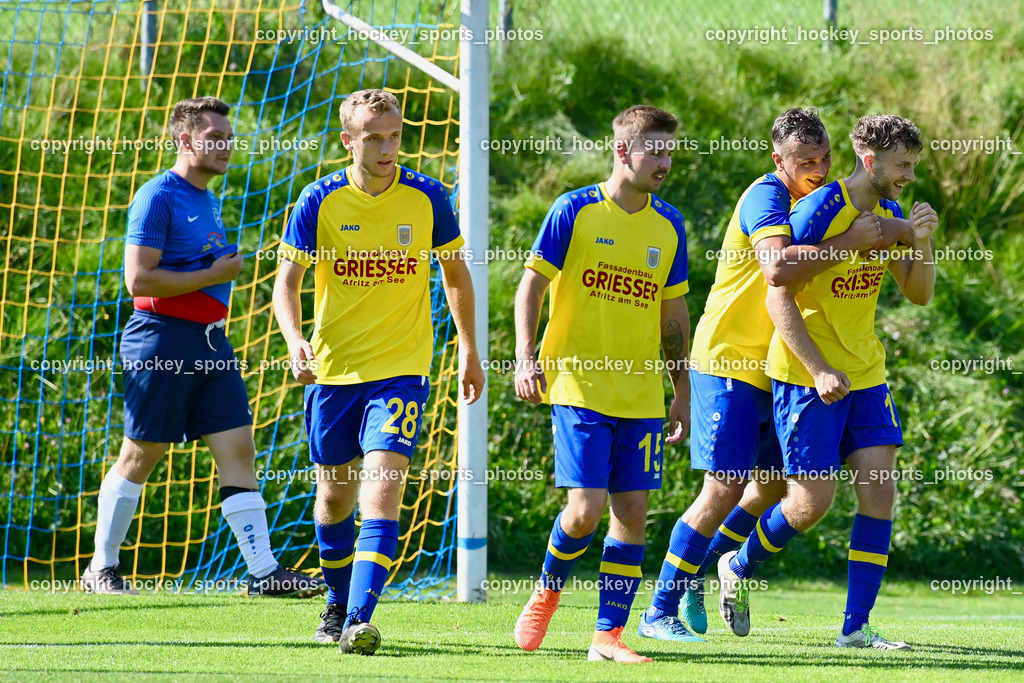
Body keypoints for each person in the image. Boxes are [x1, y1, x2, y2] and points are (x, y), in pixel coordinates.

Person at [640, 108, 909, 640]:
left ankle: (718, 565)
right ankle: (657, 612)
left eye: (826, 157)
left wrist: (902, 234)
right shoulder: (766, 197)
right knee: (722, 489)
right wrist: (854, 242)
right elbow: (778, 270)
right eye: (806, 160)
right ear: (778, 160)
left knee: (770, 490)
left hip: (774, 368)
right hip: (730, 360)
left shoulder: (823, 202)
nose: (819, 167)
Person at [82, 96, 325, 599]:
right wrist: (212, 274)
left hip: (213, 342)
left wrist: (212, 273)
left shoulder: (205, 197)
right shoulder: (158, 195)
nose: (225, 146)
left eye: (228, 138)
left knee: (239, 449)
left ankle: (263, 573)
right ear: (183, 140)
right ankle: (101, 569)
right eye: (213, 137)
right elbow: (138, 279)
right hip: (161, 340)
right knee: (141, 453)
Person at [272, 89, 485, 656]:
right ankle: (338, 602)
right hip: (335, 371)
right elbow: (286, 286)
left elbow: (457, 277)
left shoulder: (429, 197)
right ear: (349, 141)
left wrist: (469, 348)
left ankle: (358, 620)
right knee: (334, 498)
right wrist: (295, 341)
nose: (387, 147)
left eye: (394, 135)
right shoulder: (317, 201)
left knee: (382, 490)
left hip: (402, 370)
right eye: (374, 138)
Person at [717, 114, 938, 650]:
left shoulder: (890, 212)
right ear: (871, 162)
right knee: (810, 505)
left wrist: (922, 240)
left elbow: (918, 292)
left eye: (912, 164)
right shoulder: (819, 209)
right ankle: (737, 566)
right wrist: (818, 370)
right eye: (902, 165)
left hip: (866, 373)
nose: (909, 175)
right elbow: (778, 294)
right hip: (805, 375)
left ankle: (855, 628)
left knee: (878, 491)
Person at [511, 105, 689, 664]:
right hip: (578, 385)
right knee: (584, 512)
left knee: (632, 511)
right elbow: (530, 288)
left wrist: (681, 388)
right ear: (622, 151)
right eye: (653, 150)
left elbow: (673, 314)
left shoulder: (670, 225)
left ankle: (607, 637)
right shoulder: (574, 210)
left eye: (668, 151)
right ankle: (547, 589)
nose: (663, 161)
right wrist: (523, 356)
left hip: (640, 394)